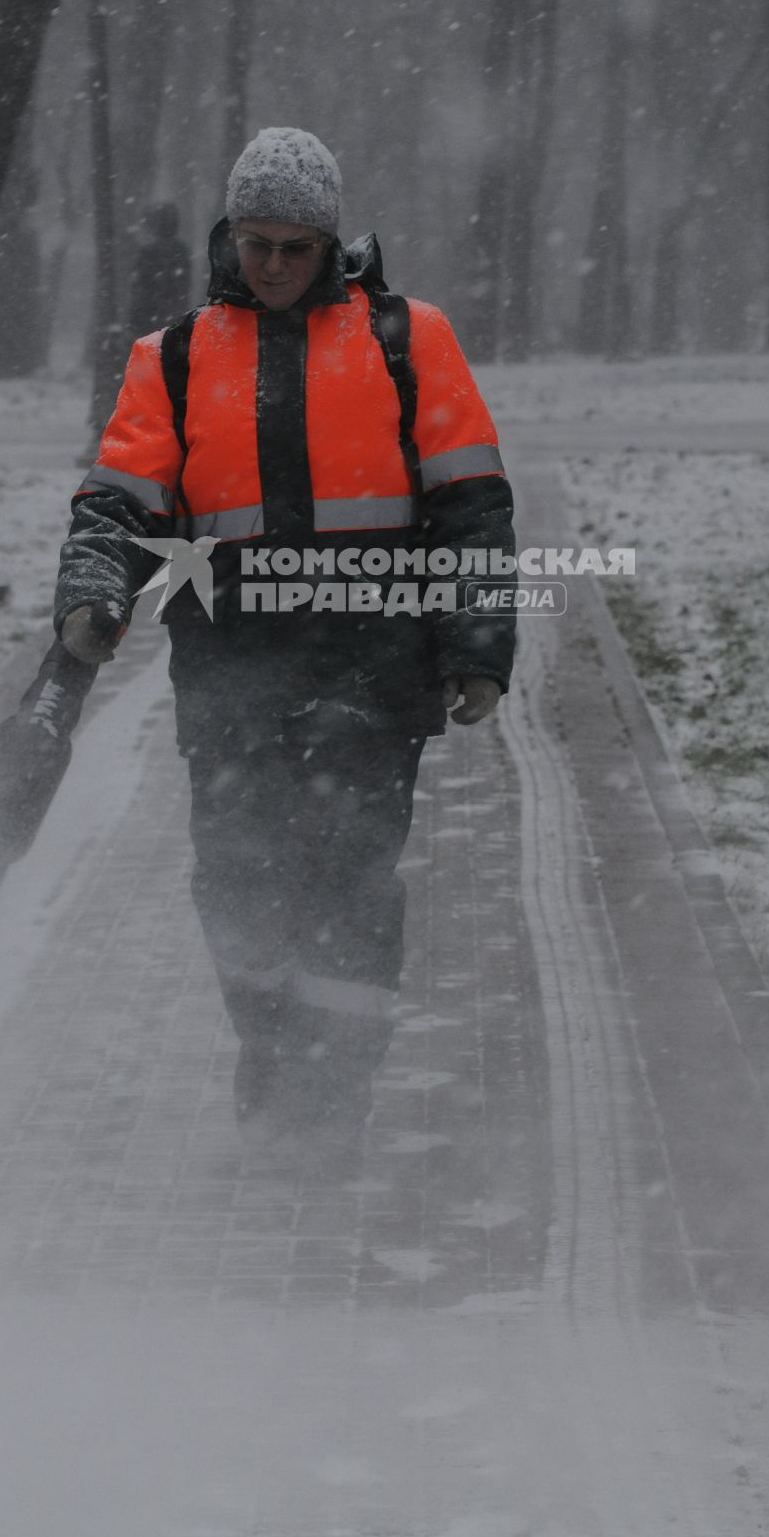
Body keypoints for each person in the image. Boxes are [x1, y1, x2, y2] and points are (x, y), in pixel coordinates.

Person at [53, 127, 515, 1169]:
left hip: (374, 667)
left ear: (330, 243)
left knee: (350, 883)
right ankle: (269, 1058)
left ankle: (330, 1098)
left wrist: (477, 642)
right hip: (231, 673)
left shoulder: (408, 340)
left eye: (293, 246)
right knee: (239, 884)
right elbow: (118, 505)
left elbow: (473, 505)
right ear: (229, 236)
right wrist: (92, 596)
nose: (270, 265)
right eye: (254, 242)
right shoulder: (171, 359)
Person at [127, 201, 193, 338]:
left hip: (150, 315)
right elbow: (184, 286)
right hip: (170, 315)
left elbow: (139, 287)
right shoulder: (181, 251)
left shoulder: (147, 252)